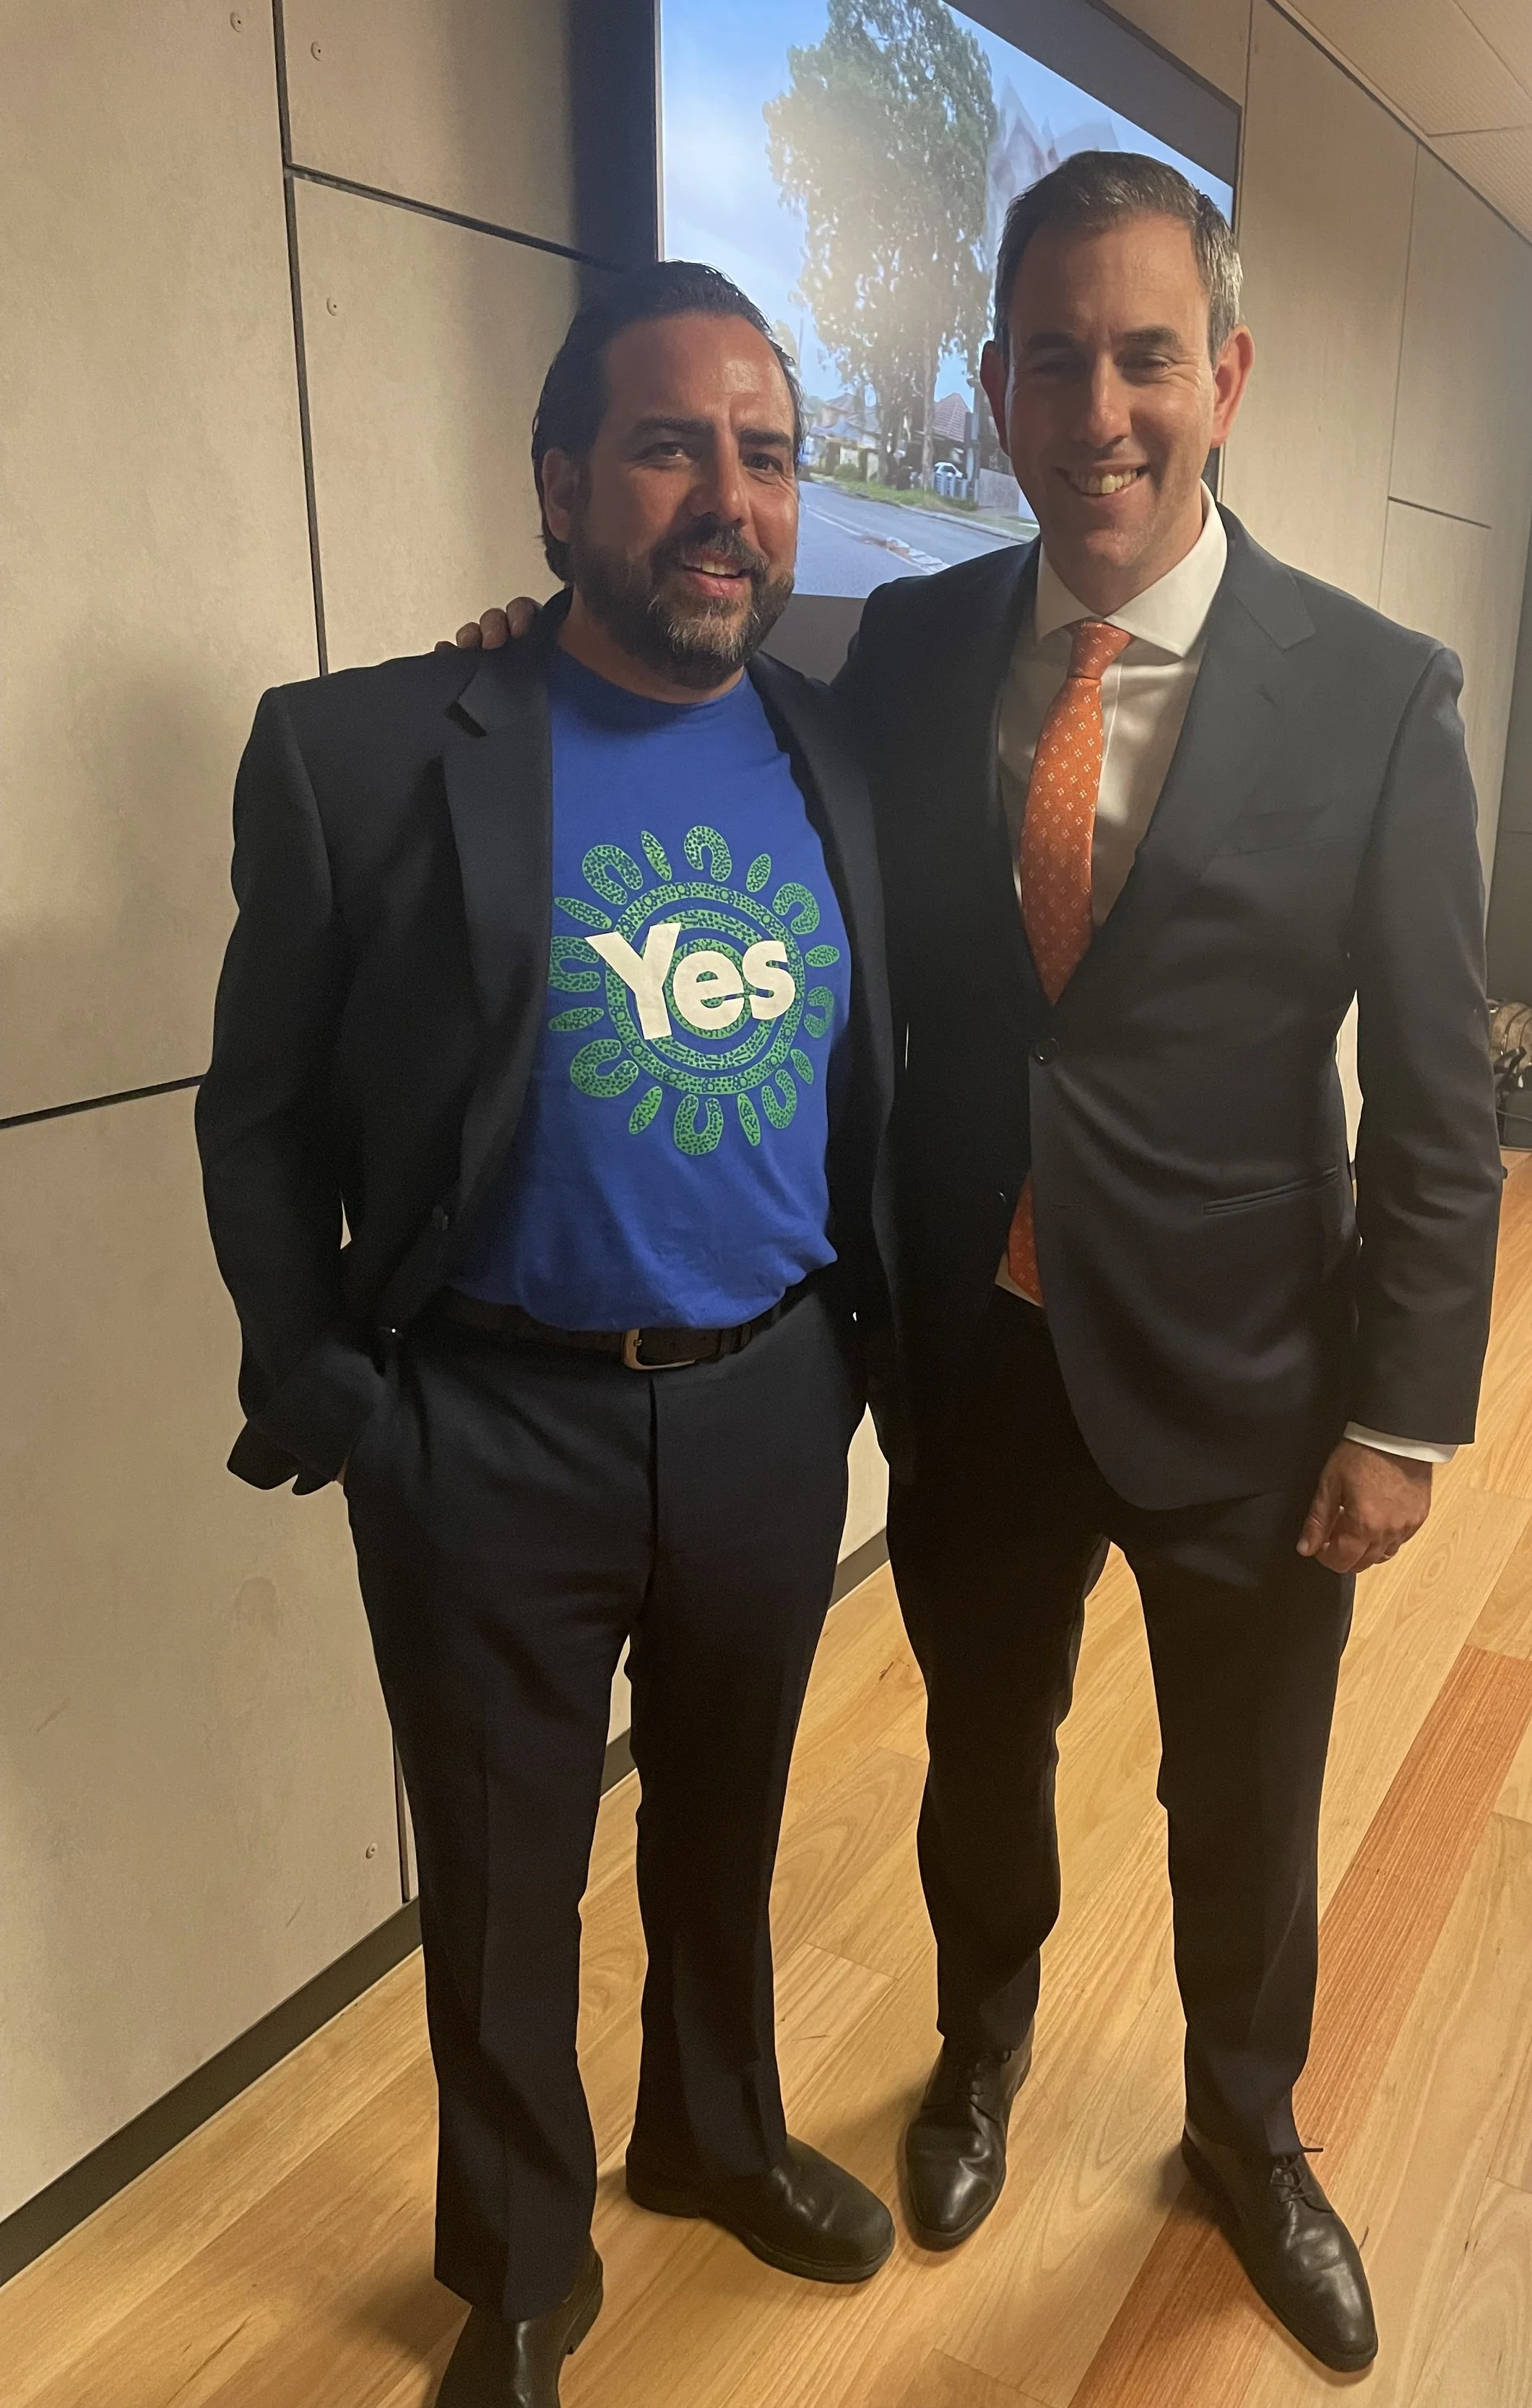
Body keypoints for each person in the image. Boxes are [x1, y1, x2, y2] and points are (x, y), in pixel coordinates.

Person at [454, 152, 1501, 2379]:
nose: (1094, 407)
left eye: (1141, 356)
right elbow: (698, 731)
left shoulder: (1378, 692)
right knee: (976, 1752)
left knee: (1242, 1785)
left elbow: (1436, 1091)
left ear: (1219, 382)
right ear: (997, 392)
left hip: (1248, 1369)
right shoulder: (908, 647)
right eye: (1047, 360)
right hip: (972, 1352)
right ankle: (978, 2051)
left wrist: (1403, 1407)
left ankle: (1245, 2124)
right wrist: (509, 649)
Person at [196, 262, 897, 2408]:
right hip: (486, 1420)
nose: (725, 499)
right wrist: (322, 1375)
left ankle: (712, 2130)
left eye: (764, 457)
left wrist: (854, 1354)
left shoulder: (834, 747)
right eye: (672, 445)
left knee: (726, 1812)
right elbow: (260, 1105)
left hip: (772, 1394)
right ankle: (516, 2262)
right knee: (502, 1870)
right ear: (559, 487)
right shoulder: (370, 748)